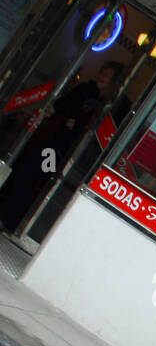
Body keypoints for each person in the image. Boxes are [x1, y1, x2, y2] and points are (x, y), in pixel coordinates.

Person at [0, 62, 126, 233]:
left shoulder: (106, 104)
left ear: (113, 82)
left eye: (107, 76)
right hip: (52, 144)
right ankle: (10, 217)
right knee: (30, 175)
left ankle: (11, 218)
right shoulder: (87, 92)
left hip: (59, 148)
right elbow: (61, 106)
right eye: (103, 73)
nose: (102, 77)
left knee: (32, 176)